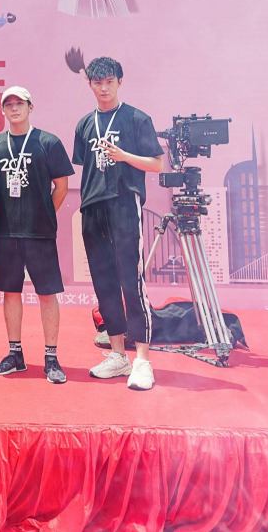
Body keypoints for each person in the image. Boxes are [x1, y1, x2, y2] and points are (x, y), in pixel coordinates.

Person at [73, 57, 164, 391]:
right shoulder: (84, 124)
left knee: (131, 281)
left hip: (125, 203)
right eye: (97, 82)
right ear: (90, 85)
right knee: (104, 283)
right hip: (92, 207)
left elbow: (156, 164)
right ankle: (117, 355)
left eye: (109, 81)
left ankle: (142, 360)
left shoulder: (137, 118)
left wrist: (125, 156)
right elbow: (85, 165)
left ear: (120, 82)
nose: (104, 88)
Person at [0, 87, 75, 384]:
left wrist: (44, 214)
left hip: (39, 233)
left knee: (47, 293)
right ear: (2, 110)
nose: (14, 108)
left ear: (30, 107)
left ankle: (51, 357)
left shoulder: (48, 142)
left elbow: (61, 186)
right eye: (8, 104)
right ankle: (15, 354)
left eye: (19, 103)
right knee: (10, 292)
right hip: (6, 232)